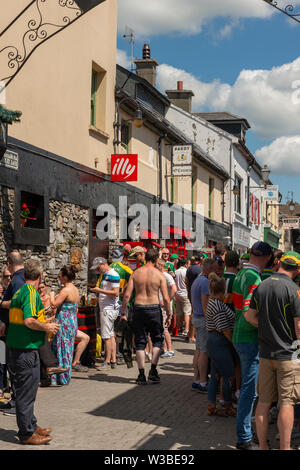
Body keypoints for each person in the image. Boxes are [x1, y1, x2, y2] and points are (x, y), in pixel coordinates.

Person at [245, 252, 300, 451]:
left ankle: (262, 446)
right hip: (289, 355)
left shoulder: (262, 285)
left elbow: (249, 316)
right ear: (298, 269)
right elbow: (299, 326)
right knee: (287, 402)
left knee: (264, 402)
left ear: (279, 264)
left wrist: (267, 327)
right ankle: (285, 448)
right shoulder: (294, 290)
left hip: (266, 354)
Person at [2, 260, 59, 445]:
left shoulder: (20, 290)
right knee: (26, 392)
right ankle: (27, 433)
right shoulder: (31, 293)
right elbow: (28, 320)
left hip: (17, 346)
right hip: (25, 349)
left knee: (26, 389)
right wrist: (47, 326)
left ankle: (31, 425)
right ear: (40, 276)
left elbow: (10, 306)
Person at [232, 241, 272, 450]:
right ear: (267, 258)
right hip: (248, 338)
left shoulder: (241, 273)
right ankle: (244, 437)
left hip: (241, 336)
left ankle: (247, 433)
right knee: (250, 391)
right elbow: (248, 313)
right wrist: (268, 330)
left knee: (250, 389)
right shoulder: (253, 277)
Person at [121, 248, 171, 385]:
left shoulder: (136, 273)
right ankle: (153, 370)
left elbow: (126, 295)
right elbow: (166, 298)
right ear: (156, 260)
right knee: (157, 340)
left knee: (140, 342)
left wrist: (123, 312)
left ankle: (141, 374)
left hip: (138, 308)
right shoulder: (160, 275)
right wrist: (169, 314)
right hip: (154, 308)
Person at [206, 273, 236, 417]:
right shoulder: (218, 304)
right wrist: (234, 342)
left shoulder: (213, 302)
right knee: (228, 374)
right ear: (223, 289)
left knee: (215, 375)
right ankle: (228, 405)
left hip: (213, 341)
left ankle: (212, 405)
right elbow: (223, 328)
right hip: (219, 342)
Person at [0, 251, 25, 416]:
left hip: (15, 331)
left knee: (15, 368)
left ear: (10, 263)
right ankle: (15, 400)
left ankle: (17, 404)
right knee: (11, 366)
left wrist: (2, 303)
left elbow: (17, 304)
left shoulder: (18, 280)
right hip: (13, 329)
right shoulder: (22, 278)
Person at [191, 258, 218, 393]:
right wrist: (211, 322)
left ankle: (196, 380)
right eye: (214, 268)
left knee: (198, 350)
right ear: (209, 269)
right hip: (202, 319)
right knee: (204, 352)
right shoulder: (205, 282)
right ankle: (202, 382)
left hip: (196, 317)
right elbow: (205, 305)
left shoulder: (197, 280)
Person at [50, 265, 80, 385]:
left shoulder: (65, 290)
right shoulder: (75, 289)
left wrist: (52, 294)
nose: (59, 279)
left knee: (61, 347)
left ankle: (61, 377)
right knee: (68, 348)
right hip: (72, 320)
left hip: (64, 321)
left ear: (65, 277)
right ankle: (65, 375)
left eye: (60, 276)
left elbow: (54, 305)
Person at [89, 257, 120, 370]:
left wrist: (98, 291)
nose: (98, 270)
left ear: (103, 264)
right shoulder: (107, 274)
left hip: (108, 309)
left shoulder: (112, 274)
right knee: (110, 335)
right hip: (108, 308)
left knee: (106, 336)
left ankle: (107, 362)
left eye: (98, 267)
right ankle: (113, 360)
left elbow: (115, 293)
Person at [37, 280, 68, 386]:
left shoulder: (50, 300)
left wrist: (47, 322)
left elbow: (55, 315)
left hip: (48, 325)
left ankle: (47, 375)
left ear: (46, 288)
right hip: (40, 326)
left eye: (42, 287)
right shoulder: (36, 299)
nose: (41, 290)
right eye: (39, 288)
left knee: (45, 340)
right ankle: (45, 375)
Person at [109, 248, 134, 367]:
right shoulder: (125, 269)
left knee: (112, 329)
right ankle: (120, 355)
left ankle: (113, 355)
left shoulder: (108, 267)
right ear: (123, 257)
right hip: (121, 302)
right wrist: (125, 290)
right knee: (122, 330)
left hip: (109, 302)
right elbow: (135, 278)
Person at [156, 258, 177, 358]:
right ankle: (164, 349)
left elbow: (174, 289)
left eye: (156, 265)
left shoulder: (167, 276)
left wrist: (167, 300)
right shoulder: (159, 276)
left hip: (165, 307)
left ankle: (170, 349)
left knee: (164, 329)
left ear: (160, 266)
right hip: (160, 306)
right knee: (161, 328)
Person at [0, 267, 11, 401]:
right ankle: (1, 388)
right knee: (2, 362)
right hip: (2, 334)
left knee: (9, 363)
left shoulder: (14, 292)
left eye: (10, 276)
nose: (8, 279)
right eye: (6, 276)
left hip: (12, 333)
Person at [175, 258, 192, 337]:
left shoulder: (176, 271)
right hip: (185, 293)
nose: (189, 265)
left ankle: (177, 329)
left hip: (177, 294)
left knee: (178, 313)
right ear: (185, 264)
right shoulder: (186, 271)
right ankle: (186, 329)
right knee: (187, 312)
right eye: (189, 264)